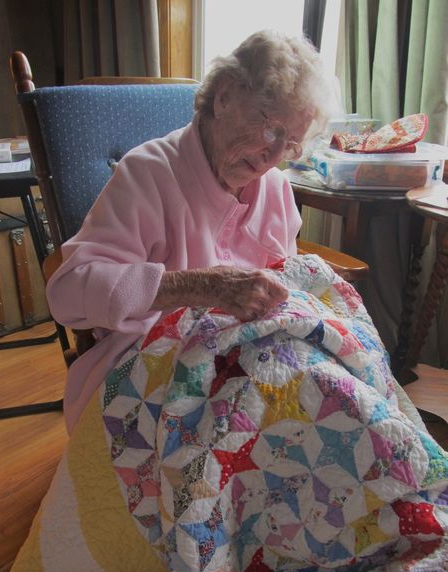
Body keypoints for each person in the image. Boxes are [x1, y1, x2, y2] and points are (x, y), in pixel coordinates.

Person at [46, 30, 335, 434]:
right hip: (153, 377)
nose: (273, 158)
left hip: (251, 366)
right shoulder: (148, 173)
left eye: (291, 146)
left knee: (331, 406)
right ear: (225, 96)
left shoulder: (275, 189)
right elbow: (66, 292)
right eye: (272, 131)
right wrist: (197, 286)